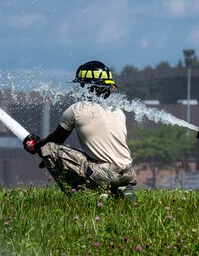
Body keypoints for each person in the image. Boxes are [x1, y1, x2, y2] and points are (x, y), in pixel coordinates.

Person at [22, 60, 137, 198]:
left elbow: (55, 140)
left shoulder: (77, 109)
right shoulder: (118, 111)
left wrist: (37, 145)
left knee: (49, 149)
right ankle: (121, 190)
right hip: (127, 173)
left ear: (88, 87)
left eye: (82, 85)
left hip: (103, 175)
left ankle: (86, 195)